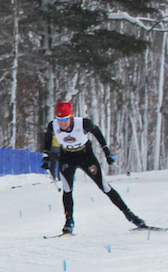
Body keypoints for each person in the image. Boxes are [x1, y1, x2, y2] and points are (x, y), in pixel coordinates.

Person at [46, 100, 149, 234]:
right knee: (67, 189)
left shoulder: (83, 123)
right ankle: (69, 222)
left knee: (105, 187)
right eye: (59, 119)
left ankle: (130, 216)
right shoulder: (53, 126)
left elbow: (97, 134)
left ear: (71, 116)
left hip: (85, 156)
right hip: (66, 157)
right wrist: (46, 156)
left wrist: (107, 152)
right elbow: (47, 141)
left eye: (65, 119)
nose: (62, 123)